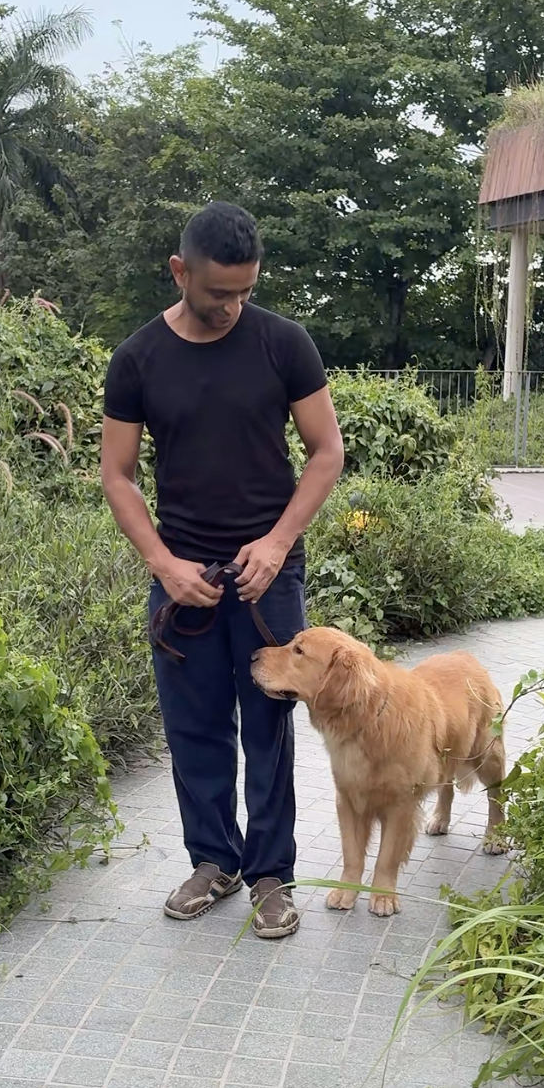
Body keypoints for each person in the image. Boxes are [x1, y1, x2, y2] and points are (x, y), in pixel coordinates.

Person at [100, 202, 343, 939]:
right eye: (217, 293)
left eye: (245, 290)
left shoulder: (284, 344)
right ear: (180, 272)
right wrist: (162, 564)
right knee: (196, 727)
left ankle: (272, 874)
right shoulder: (138, 358)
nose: (233, 305)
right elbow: (117, 474)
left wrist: (276, 543)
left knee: (268, 725)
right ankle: (215, 861)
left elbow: (325, 452)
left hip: (270, 577)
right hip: (185, 579)